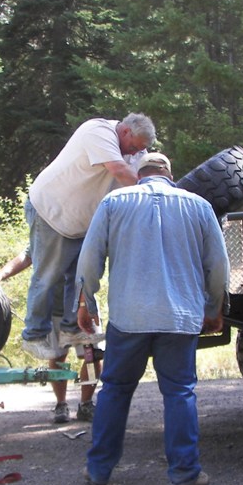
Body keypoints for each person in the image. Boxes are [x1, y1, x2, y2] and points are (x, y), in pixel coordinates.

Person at [75, 152, 230, 485]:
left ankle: (99, 470)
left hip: (130, 317)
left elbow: (90, 257)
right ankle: (185, 472)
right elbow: (218, 266)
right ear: (169, 174)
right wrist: (214, 306)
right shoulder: (199, 206)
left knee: (115, 389)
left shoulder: (114, 201)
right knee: (179, 392)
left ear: (139, 173)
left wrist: (86, 300)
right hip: (179, 318)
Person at [20, 113, 157, 360]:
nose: (135, 153)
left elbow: (142, 176)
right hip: (50, 212)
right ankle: (33, 335)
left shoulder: (134, 153)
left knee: (79, 279)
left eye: (140, 150)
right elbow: (119, 170)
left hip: (79, 223)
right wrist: (154, 195)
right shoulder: (98, 131)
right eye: (134, 147)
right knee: (47, 277)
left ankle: (72, 330)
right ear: (125, 131)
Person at [0, 251, 102, 424]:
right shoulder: (48, 232)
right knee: (58, 356)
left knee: (92, 356)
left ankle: (86, 404)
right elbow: (27, 255)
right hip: (53, 308)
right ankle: (61, 404)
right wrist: (2, 273)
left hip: (84, 305)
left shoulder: (85, 230)